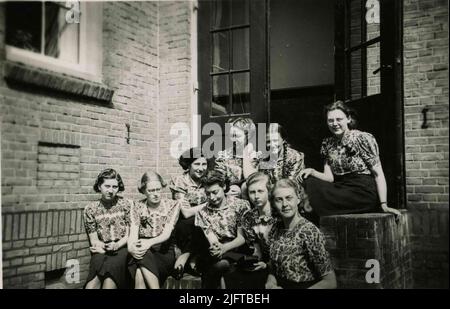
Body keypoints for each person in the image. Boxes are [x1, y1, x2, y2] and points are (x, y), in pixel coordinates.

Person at [299, 101, 401, 219]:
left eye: (339, 119)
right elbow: (330, 178)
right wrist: (312, 172)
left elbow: (378, 174)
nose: (335, 124)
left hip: (362, 191)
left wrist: (384, 204)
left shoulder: (362, 138)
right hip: (341, 188)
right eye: (330, 120)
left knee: (315, 202)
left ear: (348, 119)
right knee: (310, 181)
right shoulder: (327, 144)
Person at [266, 179, 337, 289]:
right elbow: (273, 268)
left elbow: (330, 282)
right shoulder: (275, 229)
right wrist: (271, 283)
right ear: (273, 203)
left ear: (298, 199)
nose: (285, 204)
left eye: (289, 198)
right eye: (279, 200)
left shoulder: (309, 232)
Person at [192, 169, 252, 288]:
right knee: (219, 264)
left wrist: (224, 248)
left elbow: (242, 238)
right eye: (208, 193)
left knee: (221, 266)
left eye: (215, 192)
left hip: (237, 249)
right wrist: (217, 248)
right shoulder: (202, 212)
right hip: (215, 252)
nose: (212, 197)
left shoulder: (241, 205)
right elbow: (211, 238)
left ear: (224, 186)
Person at [128, 171, 181, 289]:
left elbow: (166, 234)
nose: (156, 194)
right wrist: (131, 249)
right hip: (142, 251)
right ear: (143, 191)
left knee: (140, 270)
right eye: (151, 191)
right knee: (139, 273)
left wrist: (148, 243)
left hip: (163, 251)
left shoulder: (172, 205)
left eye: (158, 189)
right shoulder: (136, 206)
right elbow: (133, 233)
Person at [84, 168, 131, 289]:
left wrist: (116, 245)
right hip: (101, 250)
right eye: (107, 186)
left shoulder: (126, 205)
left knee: (109, 284)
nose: (111, 190)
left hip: (121, 249)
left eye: (115, 187)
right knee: (91, 286)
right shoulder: (90, 209)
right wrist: (102, 247)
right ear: (99, 186)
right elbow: (94, 240)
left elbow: (129, 235)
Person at [232, 172, 277, 288]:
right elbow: (257, 248)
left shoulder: (279, 213)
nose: (256, 196)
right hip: (265, 261)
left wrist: (267, 265)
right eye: (252, 192)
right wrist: (255, 260)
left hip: (283, 260)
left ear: (269, 191)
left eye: (260, 191)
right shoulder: (249, 216)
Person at [169, 147, 208, 277]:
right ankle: (191, 261)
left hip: (205, 220)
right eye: (197, 164)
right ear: (189, 165)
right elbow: (185, 212)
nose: (201, 168)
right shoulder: (180, 181)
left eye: (204, 164)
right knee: (193, 222)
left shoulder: (208, 180)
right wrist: (208, 204)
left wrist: (196, 209)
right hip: (184, 224)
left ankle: (184, 259)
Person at [215, 117, 258, 194]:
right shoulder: (224, 155)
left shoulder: (255, 156)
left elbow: (251, 179)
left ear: (247, 136)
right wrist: (226, 189)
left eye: (237, 136)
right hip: (228, 191)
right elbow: (217, 179)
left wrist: (245, 153)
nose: (233, 140)